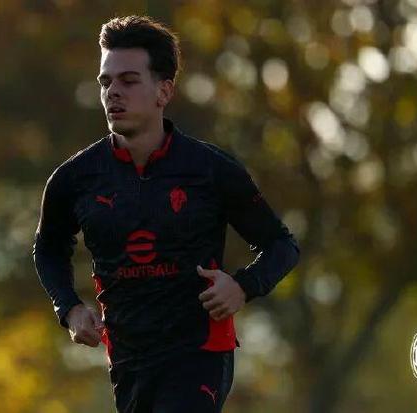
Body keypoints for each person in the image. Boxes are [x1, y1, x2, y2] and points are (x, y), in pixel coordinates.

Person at [32, 15, 300, 413]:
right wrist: (69, 308)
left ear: (164, 91)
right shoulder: (74, 179)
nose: (112, 92)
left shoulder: (211, 169)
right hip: (129, 359)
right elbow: (49, 248)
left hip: (200, 353)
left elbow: (281, 245)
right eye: (106, 82)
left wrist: (242, 287)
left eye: (128, 81)